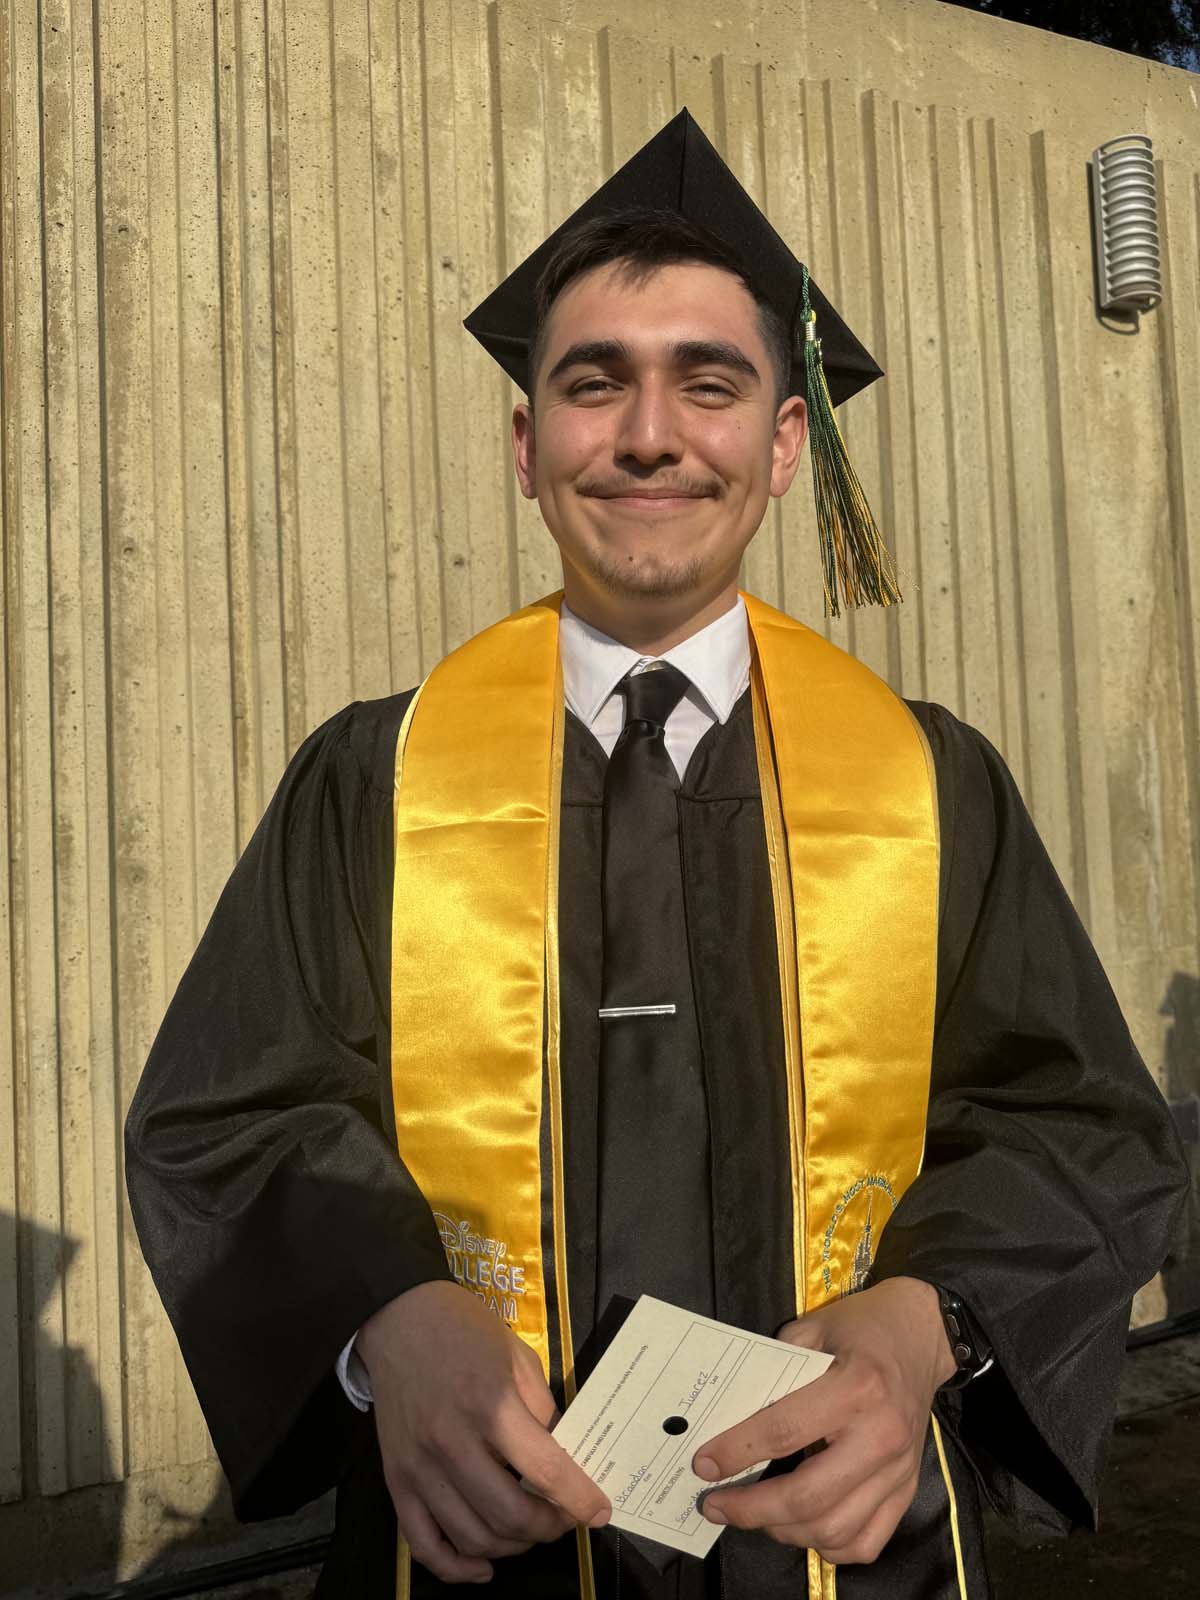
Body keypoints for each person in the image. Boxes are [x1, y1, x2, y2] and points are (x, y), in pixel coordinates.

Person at [125, 112, 1187, 1600]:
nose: (646, 434)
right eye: (592, 384)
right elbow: (233, 1114)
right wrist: (388, 1321)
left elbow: (1074, 1121)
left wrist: (923, 1325)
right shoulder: (376, 780)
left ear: (785, 442)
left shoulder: (927, 781)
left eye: (709, 382)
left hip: (843, 1549)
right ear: (526, 447)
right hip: (476, 1546)